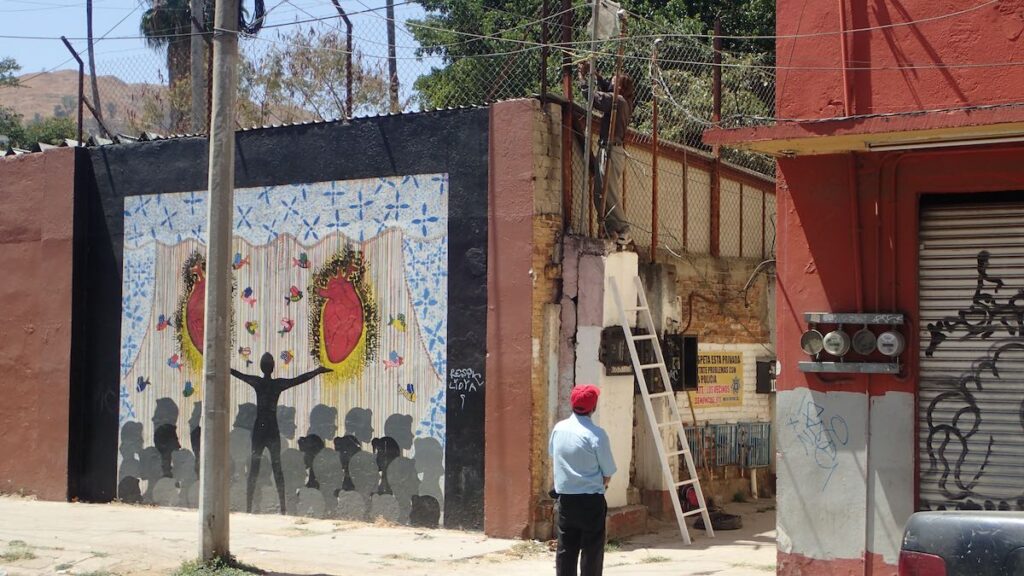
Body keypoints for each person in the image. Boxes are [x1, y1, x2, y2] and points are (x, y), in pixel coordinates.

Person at [231, 353, 331, 514]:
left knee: (255, 468)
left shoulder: (258, 382)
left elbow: (237, 374)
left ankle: (250, 507)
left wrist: (220, 365)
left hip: (260, 429)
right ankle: (282, 508)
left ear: (262, 367)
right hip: (271, 428)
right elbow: (298, 380)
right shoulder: (276, 384)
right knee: (276, 467)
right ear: (272, 367)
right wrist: (317, 371)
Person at [549, 384, 616, 576]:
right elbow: (608, 471)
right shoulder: (597, 435)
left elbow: (553, 454)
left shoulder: (559, 429)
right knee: (592, 551)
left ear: (572, 404)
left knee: (566, 549)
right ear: (593, 407)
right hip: (591, 501)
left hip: (566, 500)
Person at [578, 61, 635, 246]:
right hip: (614, 150)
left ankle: (624, 229)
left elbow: (593, 98)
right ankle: (613, 231)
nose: (610, 82)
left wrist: (582, 78)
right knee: (600, 194)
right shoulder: (623, 102)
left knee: (606, 193)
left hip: (610, 150)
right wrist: (596, 75)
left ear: (618, 86)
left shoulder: (616, 100)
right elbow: (606, 90)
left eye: (613, 81)